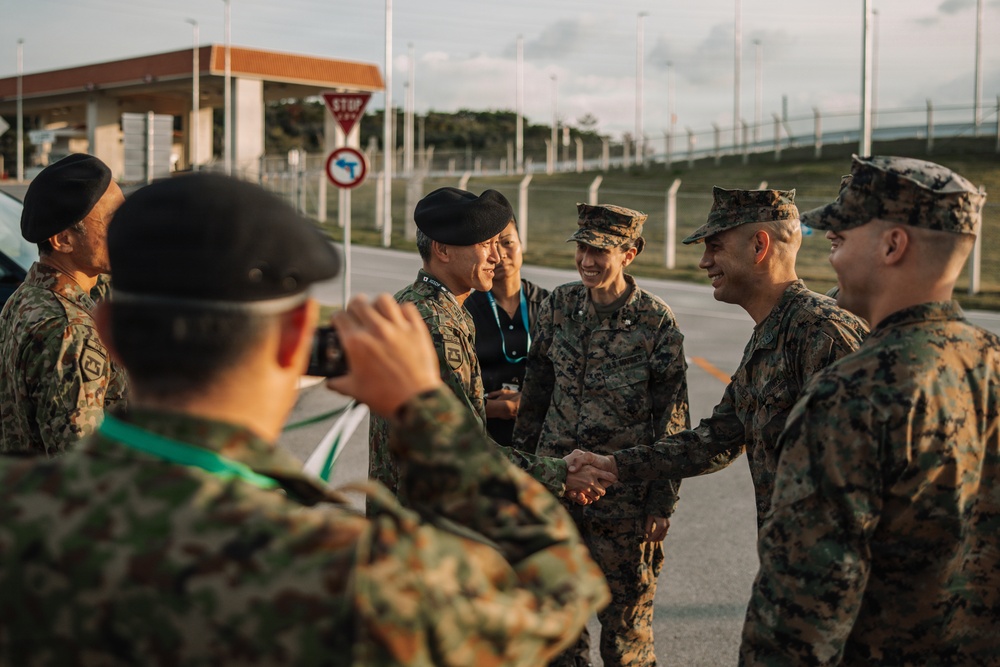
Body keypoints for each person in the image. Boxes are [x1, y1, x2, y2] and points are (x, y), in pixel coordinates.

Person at [0, 173, 611, 665]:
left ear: (107, 335)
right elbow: (562, 591)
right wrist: (422, 411)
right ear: (297, 339)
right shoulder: (353, 572)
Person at [738, 155, 999, 664]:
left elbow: (803, 606)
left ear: (892, 245)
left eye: (838, 241)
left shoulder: (855, 391)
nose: (830, 258)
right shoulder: (990, 361)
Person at [565, 188, 868, 527]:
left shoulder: (822, 333)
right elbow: (714, 441)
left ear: (759, 246)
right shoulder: (771, 335)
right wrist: (614, 466)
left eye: (715, 246)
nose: (704, 261)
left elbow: (869, 473)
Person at [513, 203, 689, 667]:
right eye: (583, 247)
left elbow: (672, 419)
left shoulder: (656, 323)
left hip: (624, 502)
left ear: (630, 253)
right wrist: (523, 477)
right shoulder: (558, 306)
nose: (588, 260)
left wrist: (660, 503)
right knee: (555, 625)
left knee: (626, 633)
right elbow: (535, 393)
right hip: (555, 489)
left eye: (602, 250)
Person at [369, 187, 608, 509]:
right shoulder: (436, 326)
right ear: (442, 249)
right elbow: (464, 450)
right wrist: (561, 474)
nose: (496, 258)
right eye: (485, 245)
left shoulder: (415, 304)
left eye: (499, 243)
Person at [0, 153, 128, 456]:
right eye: (113, 221)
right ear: (63, 241)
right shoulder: (69, 332)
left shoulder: (26, 297)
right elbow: (84, 466)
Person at [465, 218, 549, 445]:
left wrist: (529, 401)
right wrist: (493, 409)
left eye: (508, 242)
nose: (500, 254)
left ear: (522, 243)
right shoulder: (466, 311)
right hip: (485, 441)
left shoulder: (551, 306)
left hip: (540, 440)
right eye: (489, 245)